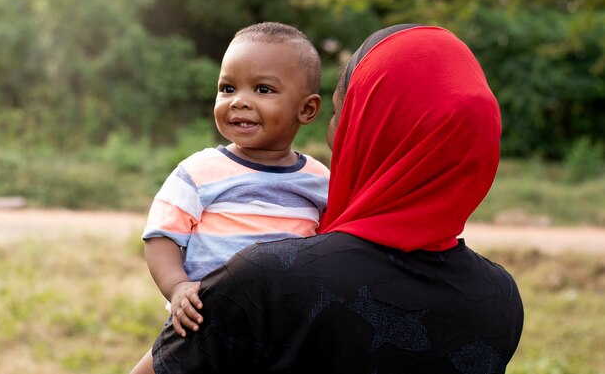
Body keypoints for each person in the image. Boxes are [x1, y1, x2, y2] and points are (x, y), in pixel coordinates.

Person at [150, 24, 524, 374]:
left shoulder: (267, 277)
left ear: (371, 131)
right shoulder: (500, 301)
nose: (334, 137)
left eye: (339, 114)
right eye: (228, 88)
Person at [129, 22, 330, 374]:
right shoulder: (199, 171)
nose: (239, 101)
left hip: (286, 330)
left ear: (307, 110)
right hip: (206, 321)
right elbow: (161, 235)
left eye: (263, 89)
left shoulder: (319, 181)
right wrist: (177, 289)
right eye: (228, 88)